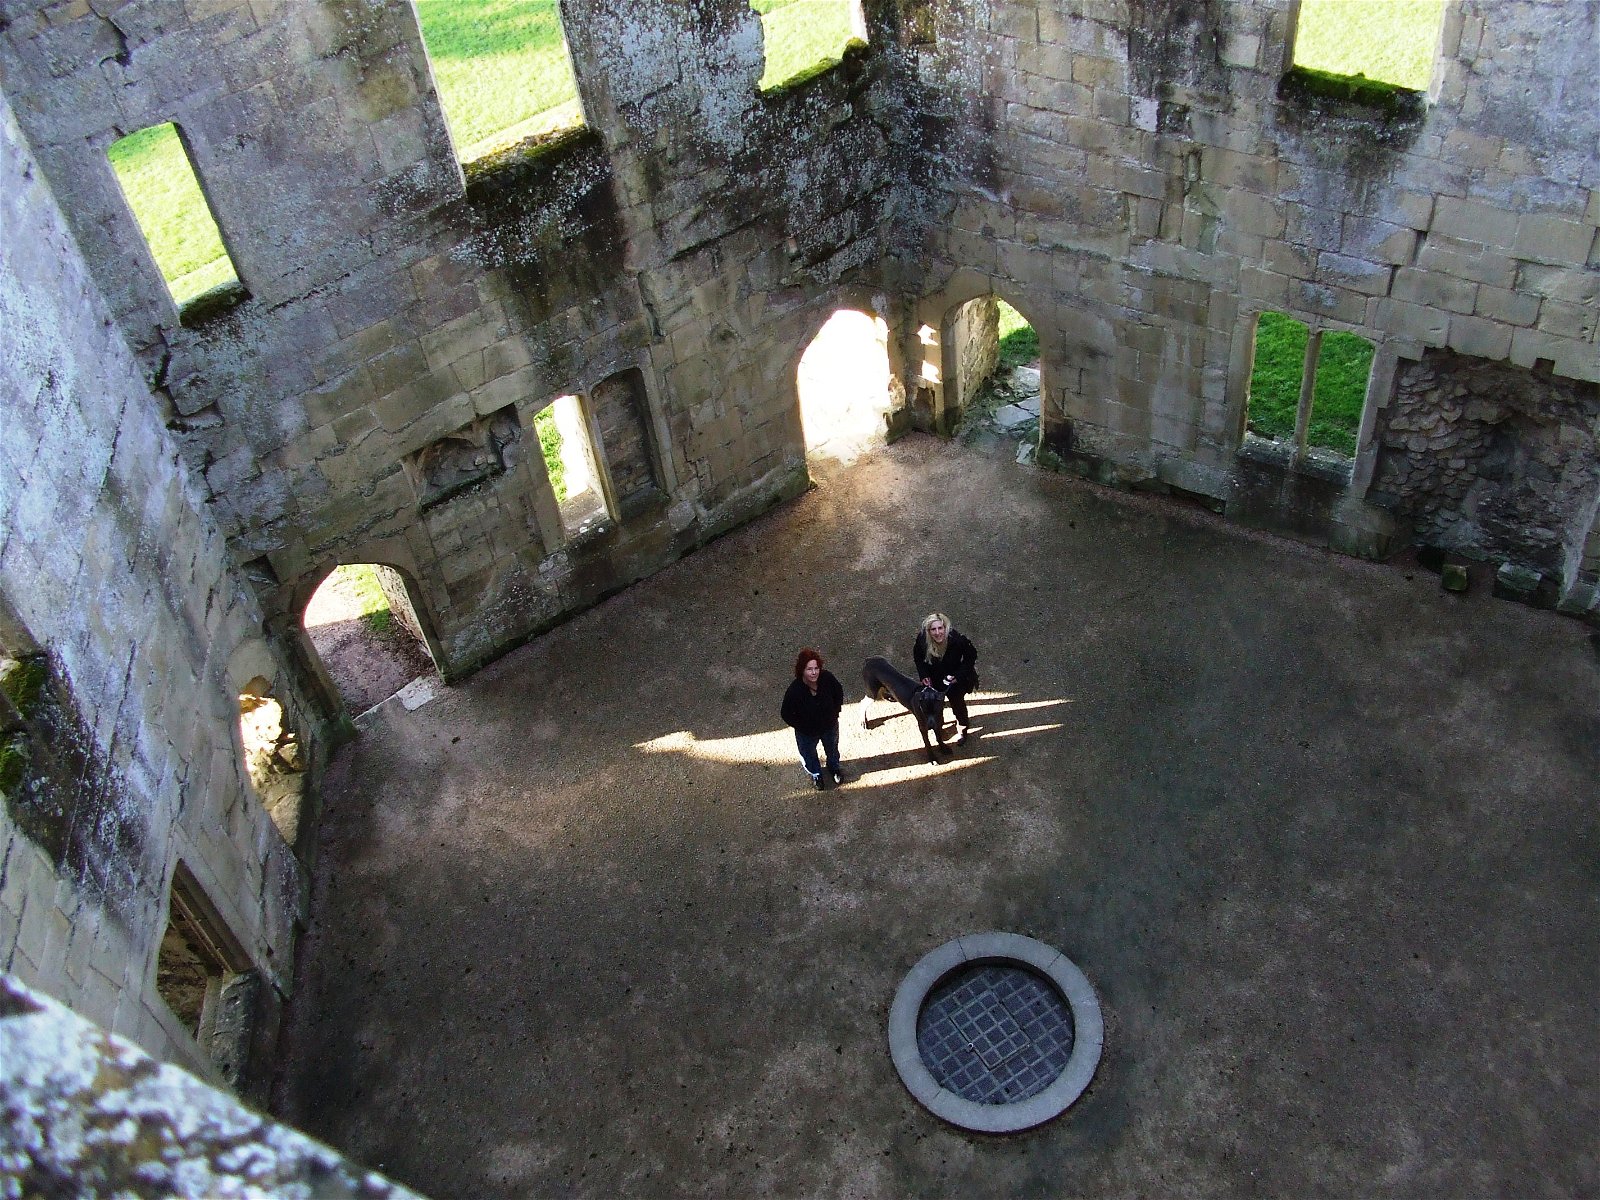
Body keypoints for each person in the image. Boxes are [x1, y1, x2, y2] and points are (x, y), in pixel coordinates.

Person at [780, 648, 846, 790]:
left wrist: (835, 712)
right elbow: (786, 713)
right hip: (807, 733)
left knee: (832, 749)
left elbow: (838, 692)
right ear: (802, 670)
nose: (814, 672)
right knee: (808, 754)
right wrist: (802, 727)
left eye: (816, 668)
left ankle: (834, 768)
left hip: (829, 726)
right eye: (809, 669)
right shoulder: (795, 691)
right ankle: (816, 773)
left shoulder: (827, 679)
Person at [914, 611, 979, 744]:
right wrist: (924, 674)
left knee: (958, 706)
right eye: (933, 629)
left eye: (940, 628)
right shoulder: (922, 640)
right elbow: (918, 657)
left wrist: (959, 675)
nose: (938, 633)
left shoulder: (957, 640)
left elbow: (970, 657)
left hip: (954, 682)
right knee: (936, 706)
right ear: (928, 631)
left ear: (945, 628)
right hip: (934, 680)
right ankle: (939, 725)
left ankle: (962, 729)